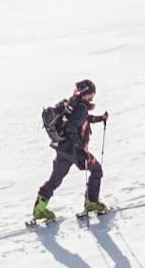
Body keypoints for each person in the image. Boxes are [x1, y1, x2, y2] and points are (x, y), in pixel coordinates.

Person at [32, 79, 111, 221]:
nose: (93, 96)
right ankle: (91, 202)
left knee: (55, 179)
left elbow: (83, 120)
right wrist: (80, 145)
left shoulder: (74, 103)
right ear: (88, 93)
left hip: (63, 149)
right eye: (92, 93)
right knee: (96, 169)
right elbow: (71, 128)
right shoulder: (81, 107)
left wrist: (100, 118)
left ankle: (39, 209)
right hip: (75, 151)